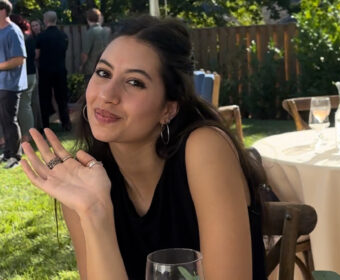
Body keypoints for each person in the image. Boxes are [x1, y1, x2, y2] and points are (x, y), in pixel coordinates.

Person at [20, 15, 267, 280]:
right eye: (103, 73)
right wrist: (93, 212)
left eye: (134, 82)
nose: (107, 95)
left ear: (168, 108)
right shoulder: (83, 181)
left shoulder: (204, 149)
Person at [0, 0, 27, 169]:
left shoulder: (13, 31)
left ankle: (16, 157)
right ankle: (8, 153)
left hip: (10, 85)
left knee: (10, 121)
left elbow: (19, 59)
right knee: (3, 121)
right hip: (1, 84)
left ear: (2, 11)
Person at [35, 11, 71, 131]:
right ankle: (66, 123)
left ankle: (45, 125)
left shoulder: (41, 36)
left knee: (44, 98)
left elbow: (37, 55)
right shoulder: (63, 36)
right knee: (62, 98)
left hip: (45, 71)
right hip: (60, 70)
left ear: (45, 21)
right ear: (56, 20)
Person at [10, 14, 35, 143]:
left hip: (18, 76)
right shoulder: (29, 37)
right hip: (31, 75)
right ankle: (27, 137)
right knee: (26, 106)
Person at [80, 8, 110, 84]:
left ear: (88, 19)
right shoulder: (105, 31)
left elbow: (85, 54)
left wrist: (81, 65)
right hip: (104, 68)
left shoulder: (90, 33)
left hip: (91, 69)